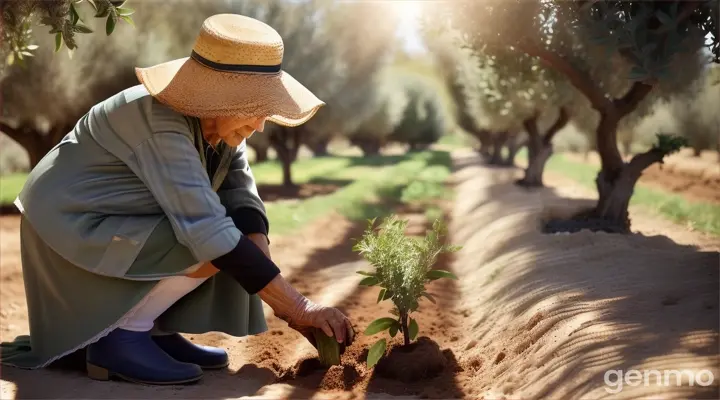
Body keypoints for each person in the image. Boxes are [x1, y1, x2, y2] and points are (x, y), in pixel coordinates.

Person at [0, 13, 355, 385]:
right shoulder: (161, 123)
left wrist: (267, 267)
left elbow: (240, 193)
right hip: (66, 225)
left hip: (109, 220)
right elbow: (206, 228)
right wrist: (296, 306)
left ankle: (151, 328)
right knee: (213, 244)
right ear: (219, 97)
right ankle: (119, 339)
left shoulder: (217, 125)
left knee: (237, 245)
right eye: (255, 107)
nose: (262, 124)